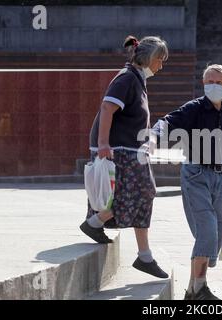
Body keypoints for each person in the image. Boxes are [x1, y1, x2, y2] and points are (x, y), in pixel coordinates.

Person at [151, 64, 222, 300]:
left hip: (220, 177)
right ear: (204, 84)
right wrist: (153, 137)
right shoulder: (193, 108)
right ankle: (200, 287)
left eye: (219, 82)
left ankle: (193, 290)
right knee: (207, 231)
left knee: (215, 232)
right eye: (209, 82)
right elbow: (167, 122)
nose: (214, 86)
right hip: (196, 175)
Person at [79, 35, 169, 279]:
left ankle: (143, 255)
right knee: (138, 193)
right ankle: (97, 223)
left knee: (142, 194)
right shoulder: (128, 78)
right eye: (160, 60)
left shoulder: (137, 79)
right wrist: (103, 144)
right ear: (149, 59)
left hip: (130, 149)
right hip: (118, 150)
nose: (161, 66)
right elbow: (107, 107)